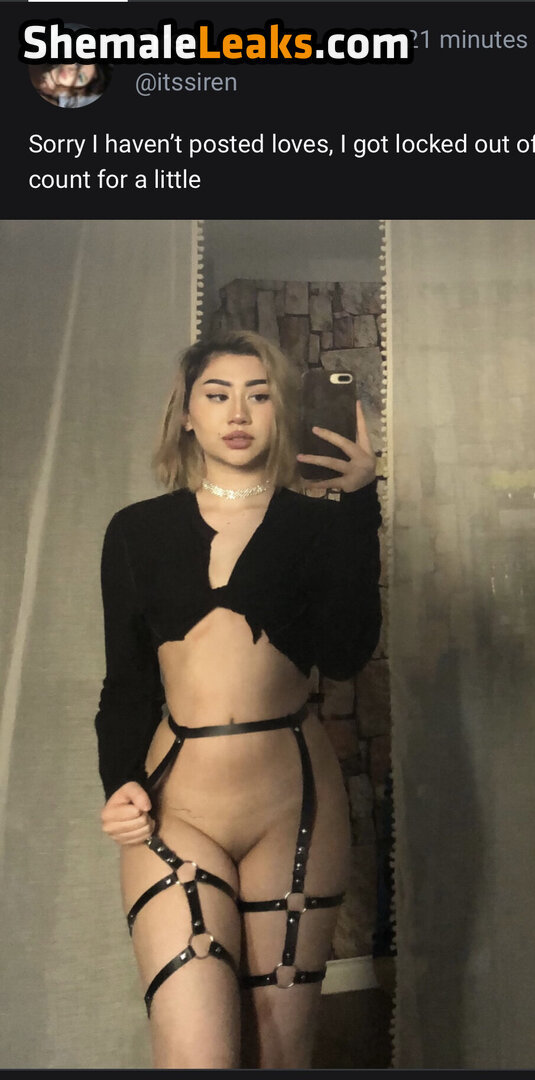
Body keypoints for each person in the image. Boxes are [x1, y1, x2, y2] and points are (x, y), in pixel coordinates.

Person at [94, 330, 382, 1068]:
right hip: (176, 809)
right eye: (217, 395)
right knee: (198, 1055)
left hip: (295, 809)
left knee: (280, 1055)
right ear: (187, 414)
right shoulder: (136, 531)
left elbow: (345, 654)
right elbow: (126, 684)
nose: (239, 413)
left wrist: (358, 505)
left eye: (259, 395)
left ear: (281, 412)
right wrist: (117, 781)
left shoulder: (318, 526)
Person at [29, 62, 111, 107]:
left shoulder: (51, 101)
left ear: (78, 88)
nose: (72, 72)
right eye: (77, 64)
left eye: (80, 77)